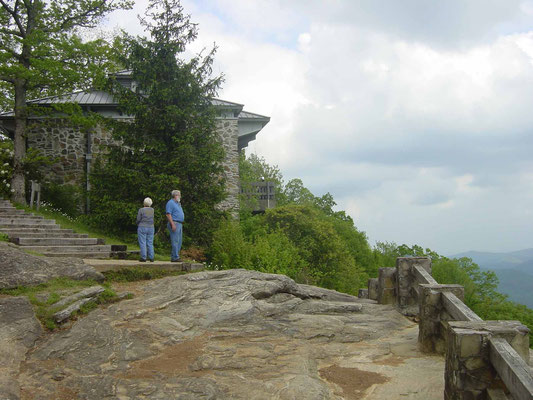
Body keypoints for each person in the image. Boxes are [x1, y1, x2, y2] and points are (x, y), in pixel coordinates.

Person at [165, 189, 184, 262]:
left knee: (179, 241)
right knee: (175, 241)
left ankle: (174, 256)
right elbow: (168, 214)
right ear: (175, 195)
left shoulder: (178, 204)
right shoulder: (170, 203)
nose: (180, 196)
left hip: (180, 223)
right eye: (179, 195)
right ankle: (175, 257)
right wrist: (172, 224)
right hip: (175, 223)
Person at [136, 197, 155, 262]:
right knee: (150, 242)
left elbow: (138, 219)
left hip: (142, 226)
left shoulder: (141, 210)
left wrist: (137, 223)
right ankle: (151, 257)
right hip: (151, 227)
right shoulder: (152, 210)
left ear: (144, 203)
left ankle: (143, 257)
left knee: (142, 242)